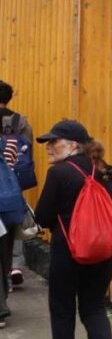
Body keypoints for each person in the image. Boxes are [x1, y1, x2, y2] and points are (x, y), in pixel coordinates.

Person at [34, 120, 112, 339]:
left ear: (73, 145)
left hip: (68, 253)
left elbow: (42, 217)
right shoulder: (103, 170)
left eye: (54, 141)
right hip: (104, 253)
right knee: (94, 308)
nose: (48, 146)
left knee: (62, 309)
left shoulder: (59, 173)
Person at [0, 80, 32, 294]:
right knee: (14, 224)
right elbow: (27, 151)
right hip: (14, 181)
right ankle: (15, 266)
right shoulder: (20, 121)